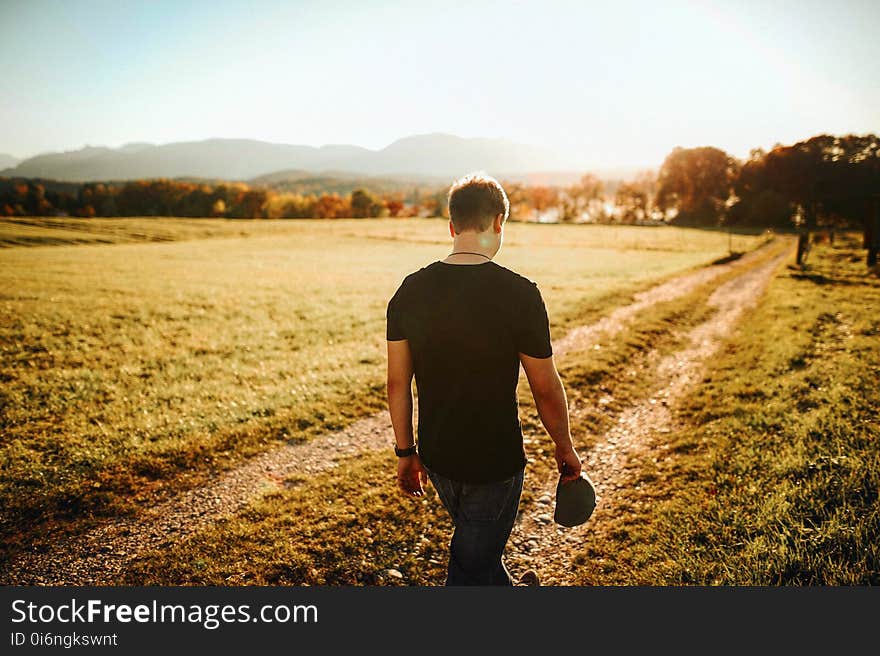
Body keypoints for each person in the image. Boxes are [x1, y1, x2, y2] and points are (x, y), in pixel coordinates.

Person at [385, 172, 582, 586]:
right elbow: (544, 387)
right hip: (495, 462)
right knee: (470, 566)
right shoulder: (520, 294)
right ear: (499, 223)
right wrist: (565, 447)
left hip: (438, 457)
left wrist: (407, 451)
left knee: (478, 553)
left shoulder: (409, 290)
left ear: (452, 226)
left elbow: (397, 383)